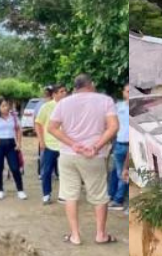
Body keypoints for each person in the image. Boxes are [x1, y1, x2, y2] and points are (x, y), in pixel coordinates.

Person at [47, 73, 119, 245]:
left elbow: (52, 128)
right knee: (99, 196)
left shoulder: (63, 102)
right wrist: (96, 146)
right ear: (91, 84)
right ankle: (100, 235)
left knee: (70, 195)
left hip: (68, 155)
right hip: (93, 156)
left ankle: (75, 236)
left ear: (75, 87)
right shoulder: (105, 100)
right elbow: (114, 126)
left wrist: (73, 144)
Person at [0, 98, 26, 200]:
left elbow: (19, 130)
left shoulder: (13, 117)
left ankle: (20, 190)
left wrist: (19, 143)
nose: (6, 107)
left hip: (11, 144)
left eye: (6, 105)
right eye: (3, 106)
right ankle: (0, 190)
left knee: (15, 168)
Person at [34, 84, 67, 204]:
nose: (64, 94)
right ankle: (46, 194)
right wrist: (41, 141)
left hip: (65, 145)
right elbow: (38, 124)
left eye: (65, 91)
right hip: (50, 145)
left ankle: (63, 195)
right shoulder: (46, 107)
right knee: (47, 171)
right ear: (54, 94)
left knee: (65, 171)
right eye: (61, 91)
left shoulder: (68, 107)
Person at [107, 83, 132, 210]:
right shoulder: (118, 107)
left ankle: (118, 199)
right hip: (119, 143)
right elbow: (111, 124)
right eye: (127, 91)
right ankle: (117, 197)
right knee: (118, 173)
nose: (129, 94)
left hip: (130, 145)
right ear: (123, 93)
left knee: (124, 173)